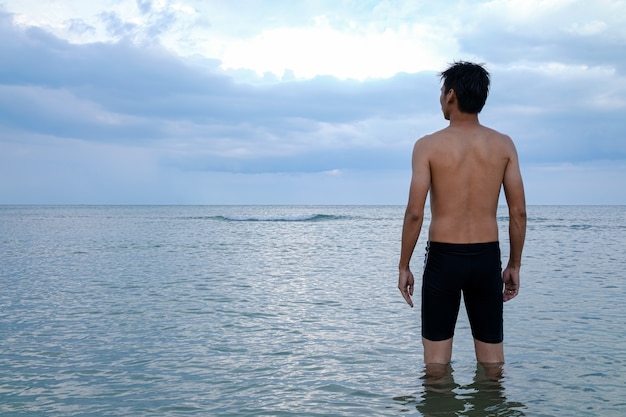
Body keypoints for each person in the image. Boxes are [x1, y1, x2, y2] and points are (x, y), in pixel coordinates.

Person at [398, 61, 527, 367]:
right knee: (493, 362)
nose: (441, 98)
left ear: (451, 95)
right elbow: (518, 212)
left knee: (436, 364)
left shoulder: (427, 146)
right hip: (486, 258)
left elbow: (415, 213)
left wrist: (403, 265)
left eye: (442, 91)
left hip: (444, 260)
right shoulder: (503, 145)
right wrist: (514, 265)